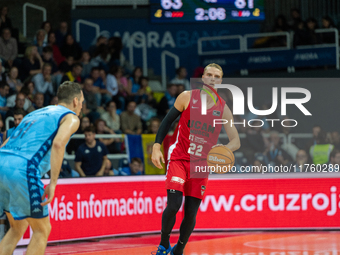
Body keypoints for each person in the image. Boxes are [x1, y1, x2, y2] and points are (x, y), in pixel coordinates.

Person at [151, 63, 240, 255]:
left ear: (221, 81)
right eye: (209, 74)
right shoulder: (187, 97)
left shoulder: (223, 109)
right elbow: (166, 122)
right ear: (203, 78)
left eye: (217, 76)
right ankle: (164, 244)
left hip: (201, 165)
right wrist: (156, 146)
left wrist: (223, 149)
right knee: (174, 205)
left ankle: (179, 249)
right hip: (179, 158)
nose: (213, 78)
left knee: (191, 212)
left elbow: (236, 141)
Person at [0, 81, 83, 255]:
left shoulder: (35, 113)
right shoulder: (71, 117)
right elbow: (59, 144)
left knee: (17, 227)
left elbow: (7, 142)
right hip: (22, 168)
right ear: (75, 101)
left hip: (2, 162)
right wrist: (53, 183)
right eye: (82, 102)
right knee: (42, 230)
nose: (82, 107)